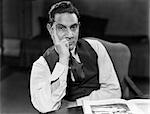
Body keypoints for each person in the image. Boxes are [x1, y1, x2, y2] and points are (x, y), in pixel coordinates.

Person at [30, 1, 121, 113]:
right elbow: (45, 106)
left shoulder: (96, 47)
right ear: (50, 29)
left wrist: (75, 104)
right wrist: (63, 59)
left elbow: (114, 91)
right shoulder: (41, 65)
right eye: (62, 28)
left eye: (73, 27)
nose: (70, 35)